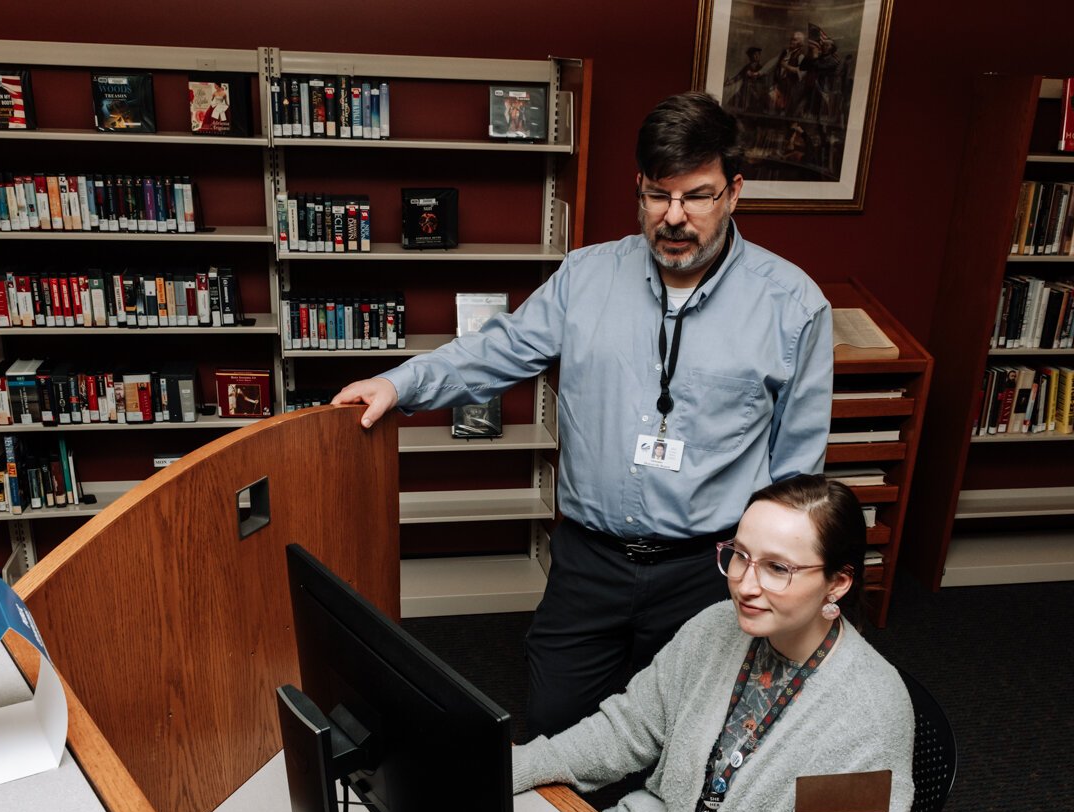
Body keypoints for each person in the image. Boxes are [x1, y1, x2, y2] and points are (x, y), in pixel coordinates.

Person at [334, 92, 833, 739]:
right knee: (552, 727)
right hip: (588, 561)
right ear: (639, 188)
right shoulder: (586, 276)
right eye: (658, 195)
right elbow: (499, 351)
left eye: (697, 196)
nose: (674, 217)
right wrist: (397, 384)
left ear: (734, 192)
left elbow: (799, 473)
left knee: (687, 736)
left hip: (705, 570)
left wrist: (779, 587)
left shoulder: (793, 305)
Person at [511, 475, 914, 812]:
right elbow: (626, 731)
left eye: (776, 568)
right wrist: (509, 768)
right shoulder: (716, 624)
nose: (745, 585)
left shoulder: (871, 713)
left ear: (838, 583)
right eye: (740, 555)